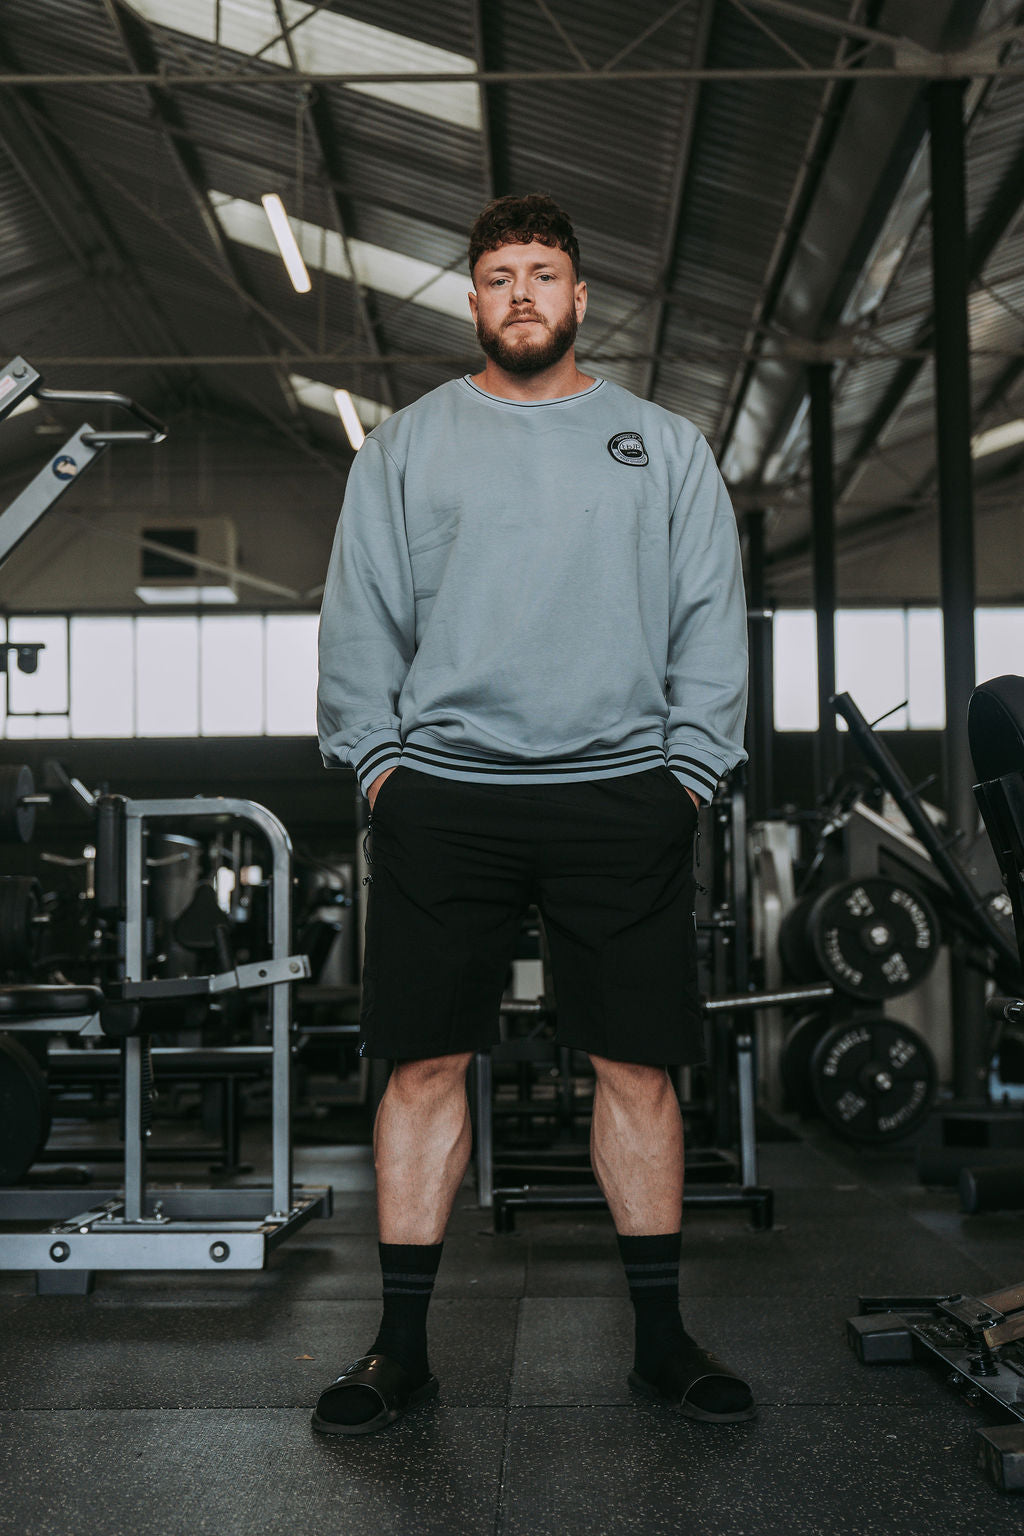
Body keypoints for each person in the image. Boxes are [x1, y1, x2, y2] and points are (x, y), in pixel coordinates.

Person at [313, 193, 752, 1436]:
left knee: (637, 1067)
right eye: (497, 275)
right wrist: (381, 769)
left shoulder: (661, 445)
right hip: (444, 796)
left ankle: (661, 1344)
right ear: (469, 299)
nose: (520, 294)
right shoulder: (403, 448)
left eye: (542, 273)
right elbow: (358, 625)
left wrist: (689, 774)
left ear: (579, 296)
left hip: (622, 794)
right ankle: (401, 1350)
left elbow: (709, 626)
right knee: (422, 1064)